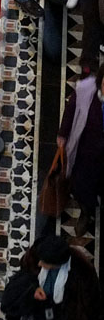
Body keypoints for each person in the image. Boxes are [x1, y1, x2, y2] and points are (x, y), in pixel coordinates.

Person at [1, 234, 101, 320]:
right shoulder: (36, 253)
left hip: (66, 309)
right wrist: (33, 289)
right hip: (42, 305)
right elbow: (25, 274)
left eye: (45, 263)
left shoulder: (82, 269)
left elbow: (92, 299)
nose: (39, 264)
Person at [56, 63, 104, 236]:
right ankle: (86, 212)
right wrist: (63, 134)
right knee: (81, 187)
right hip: (86, 154)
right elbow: (71, 111)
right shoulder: (85, 91)